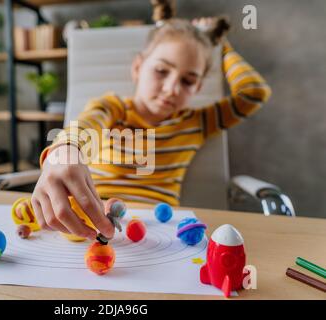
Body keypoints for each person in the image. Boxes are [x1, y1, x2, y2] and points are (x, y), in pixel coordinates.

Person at [26, 0, 272, 241]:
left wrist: (220, 46)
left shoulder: (197, 123)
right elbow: (87, 125)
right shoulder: (113, 108)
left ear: (197, 88)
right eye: (161, 71)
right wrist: (65, 151)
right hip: (90, 221)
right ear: (138, 68)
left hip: (157, 235)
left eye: (188, 81)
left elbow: (254, 92)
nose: (171, 88)